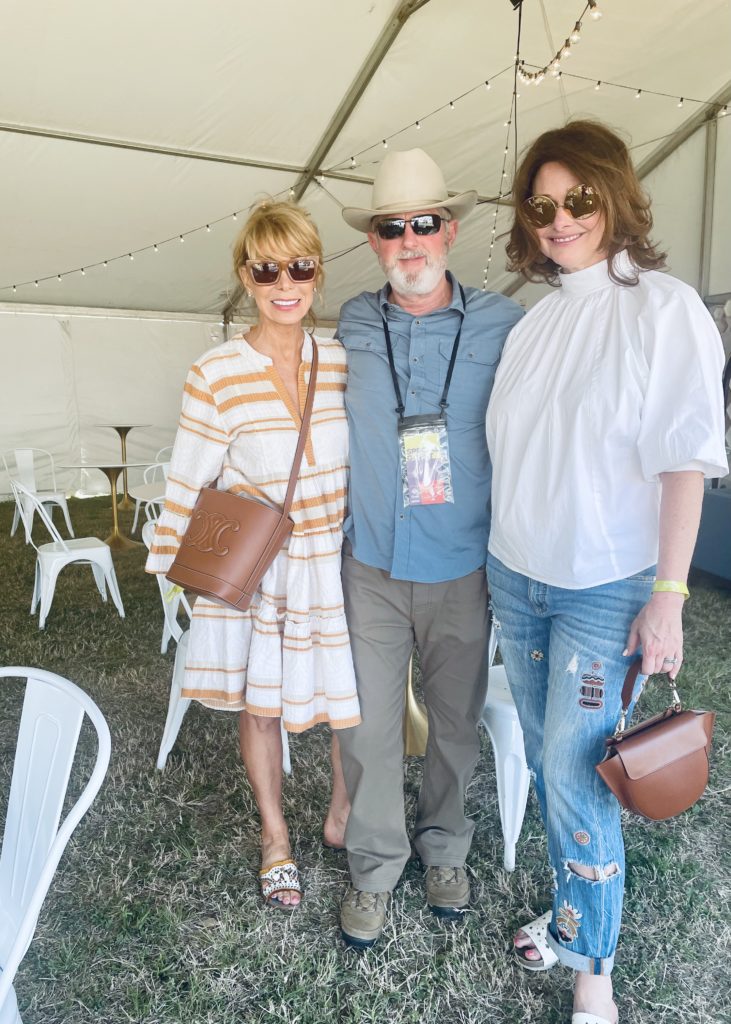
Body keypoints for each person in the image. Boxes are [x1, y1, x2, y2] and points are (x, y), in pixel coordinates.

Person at [485, 120, 728, 1024]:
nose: (559, 219)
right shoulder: (534, 323)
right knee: (557, 770)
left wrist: (667, 596)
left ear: (613, 196)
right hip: (517, 576)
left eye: (577, 199)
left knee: (577, 768)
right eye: (541, 204)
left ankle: (594, 967)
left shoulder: (664, 309)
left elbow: (683, 465)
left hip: (603, 586)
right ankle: (569, 913)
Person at [146, 200, 360, 910]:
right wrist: (178, 574)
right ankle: (275, 836)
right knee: (259, 706)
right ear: (245, 276)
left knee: (342, 705)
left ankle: (340, 817)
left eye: (299, 265)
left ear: (317, 271)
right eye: (267, 268)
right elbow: (188, 478)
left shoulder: (341, 362)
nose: (284, 282)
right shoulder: (215, 373)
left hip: (332, 563)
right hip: (262, 569)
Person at [335, 148, 524, 947]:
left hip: (463, 568)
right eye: (390, 228)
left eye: (423, 223)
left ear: (448, 230)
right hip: (371, 564)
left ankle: (444, 848)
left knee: (452, 726)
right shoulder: (348, 320)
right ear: (374, 241)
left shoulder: (505, 325)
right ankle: (374, 868)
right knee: (367, 730)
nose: (407, 241)